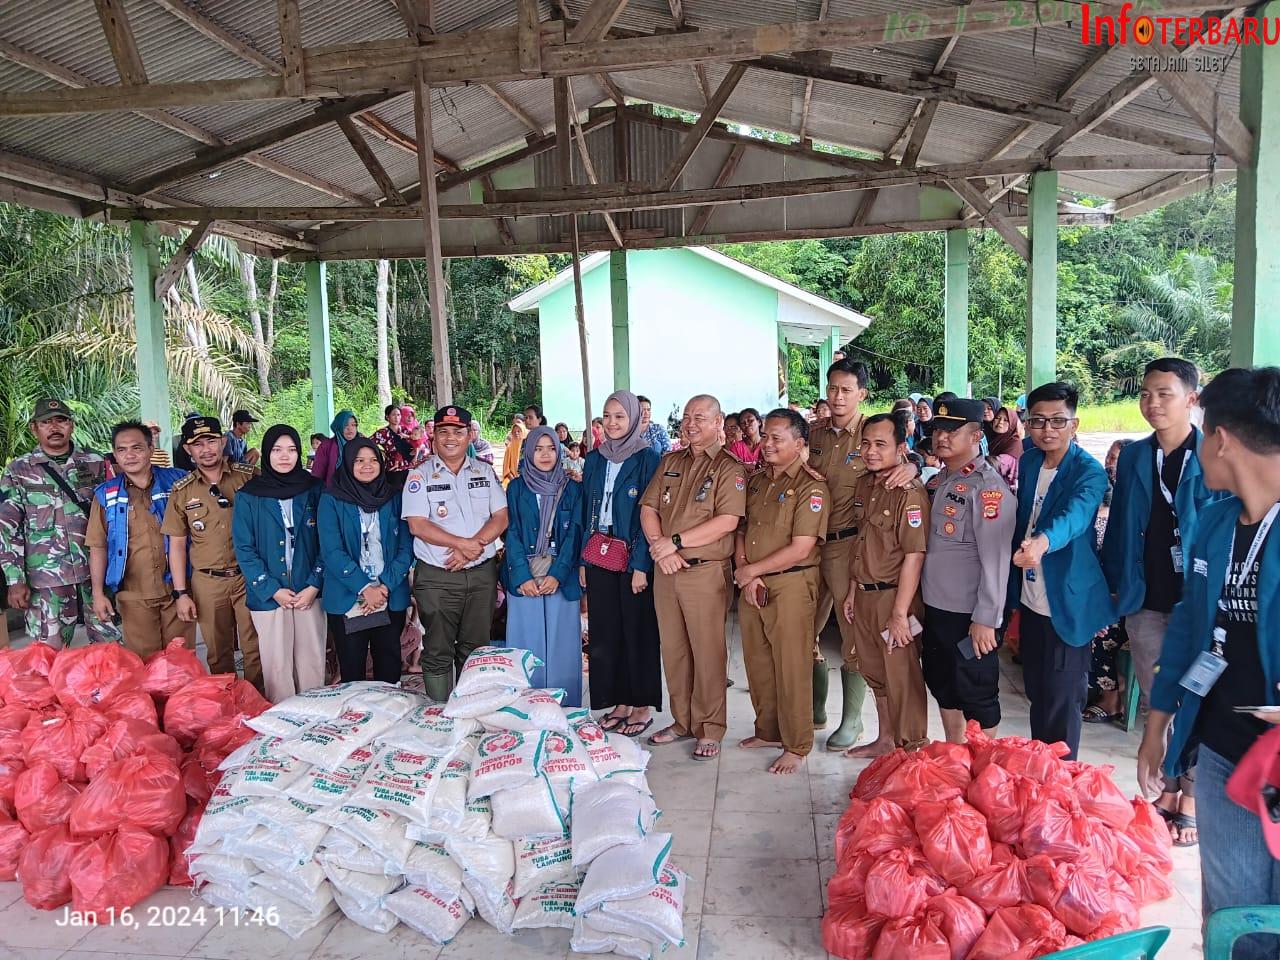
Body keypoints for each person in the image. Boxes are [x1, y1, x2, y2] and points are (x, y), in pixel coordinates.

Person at [1137, 366, 1280, 959]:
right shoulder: (1217, 522)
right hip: (1226, 751)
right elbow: (1192, 632)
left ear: (1219, 436)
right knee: (1233, 917)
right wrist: (1157, 724)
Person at [1104, 357, 1215, 845]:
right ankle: (1165, 789)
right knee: (1156, 699)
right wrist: (1115, 582)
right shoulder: (1133, 456)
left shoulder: (1212, 454)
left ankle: (1189, 797)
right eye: (1146, 393)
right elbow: (1121, 527)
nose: (1152, 403)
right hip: (1144, 596)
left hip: (1198, 600)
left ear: (1192, 399)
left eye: (1164, 394)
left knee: (1195, 696)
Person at [1008, 382, 1117, 760]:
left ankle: (1063, 783)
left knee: (1063, 699)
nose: (1047, 430)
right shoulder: (1029, 461)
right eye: (1037, 421)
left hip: (1067, 602)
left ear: (1075, 424)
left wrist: (1041, 543)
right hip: (1031, 596)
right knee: (1038, 692)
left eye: (1058, 421)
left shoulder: (1088, 472)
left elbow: (1076, 516)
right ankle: (1044, 775)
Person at [640, 394, 746, 761]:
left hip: (704, 572)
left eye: (700, 417)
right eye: (686, 417)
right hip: (667, 570)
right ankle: (682, 721)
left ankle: (710, 727)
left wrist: (675, 543)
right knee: (674, 650)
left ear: (718, 423)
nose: (690, 423)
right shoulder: (670, 460)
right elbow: (650, 507)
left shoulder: (730, 467)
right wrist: (659, 548)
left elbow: (727, 521)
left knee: (707, 652)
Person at [733, 408, 829, 775]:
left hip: (791, 583)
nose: (768, 444)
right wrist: (747, 571)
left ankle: (797, 743)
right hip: (754, 582)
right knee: (758, 662)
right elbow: (742, 530)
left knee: (791, 665)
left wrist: (750, 570)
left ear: (799, 444)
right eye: (767, 436)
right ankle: (768, 730)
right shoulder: (757, 481)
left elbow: (801, 547)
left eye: (777, 438)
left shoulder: (811, 486)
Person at [920, 398, 1015, 742]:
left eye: (952, 430)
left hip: (970, 613)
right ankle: (955, 756)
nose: (941, 437)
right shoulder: (939, 480)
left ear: (976, 436)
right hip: (937, 606)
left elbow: (996, 558)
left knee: (977, 692)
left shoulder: (988, 488)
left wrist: (987, 618)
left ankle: (985, 768)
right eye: (937, 430)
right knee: (943, 683)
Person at [840, 411, 930, 756]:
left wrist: (899, 613)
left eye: (880, 444)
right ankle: (886, 740)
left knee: (902, 679)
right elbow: (862, 542)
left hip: (894, 598)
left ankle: (913, 753)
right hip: (863, 595)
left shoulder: (909, 493)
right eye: (865, 443)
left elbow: (914, 555)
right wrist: (851, 591)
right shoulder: (865, 483)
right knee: (875, 672)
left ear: (901, 448)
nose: (871, 451)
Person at [403, 406, 508, 699]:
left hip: (480, 575)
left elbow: (501, 516)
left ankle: (470, 711)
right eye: (443, 431)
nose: (451, 438)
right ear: (433, 435)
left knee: (475, 648)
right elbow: (418, 525)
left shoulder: (484, 472)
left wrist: (472, 548)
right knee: (437, 648)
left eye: (458, 432)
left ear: (469, 435)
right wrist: (462, 545)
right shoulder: (420, 475)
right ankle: (440, 716)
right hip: (438, 577)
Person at [0, 398, 117, 648]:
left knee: (109, 648)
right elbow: (8, 528)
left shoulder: (96, 463)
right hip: (46, 578)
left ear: (71, 425)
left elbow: (116, 516)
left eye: (61, 420)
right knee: (47, 653)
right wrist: (14, 579)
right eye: (46, 422)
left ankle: (110, 688)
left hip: (95, 574)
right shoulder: (18, 470)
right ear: (35, 428)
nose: (54, 427)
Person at [580, 390, 662, 737]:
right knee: (606, 632)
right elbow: (587, 508)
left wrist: (642, 564)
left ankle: (640, 704)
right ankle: (620, 701)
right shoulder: (595, 458)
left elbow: (652, 513)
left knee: (637, 632)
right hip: (598, 553)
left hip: (632, 556)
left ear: (633, 419)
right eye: (607, 416)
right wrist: (583, 558)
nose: (612, 423)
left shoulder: (648, 458)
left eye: (620, 417)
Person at [163, 416, 263, 693]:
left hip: (248, 577)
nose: (206, 449)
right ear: (188, 450)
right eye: (197, 444)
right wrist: (181, 593)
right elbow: (178, 544)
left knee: (255, 647)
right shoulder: (182, 491)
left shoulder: (248, 477)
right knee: (218, 652)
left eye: (211, 441)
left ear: (222, 441)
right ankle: (229, 708)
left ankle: (259, 703)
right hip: (208, 582)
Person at [233, 425, 326, 702]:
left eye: (291, 450)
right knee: (277, 667)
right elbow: (244, 548)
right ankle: (284, 729)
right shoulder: (249, 495)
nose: (284, 456)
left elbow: (328, 541)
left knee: (311, 663)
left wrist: (314, 584)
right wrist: (272, 589)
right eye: (276, 450)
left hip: (309, 591)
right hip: (269, 595)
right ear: (266, 453)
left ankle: (314, 724)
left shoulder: (313, 489)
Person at [87, 420, 192, 658]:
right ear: (114, 454)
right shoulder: (106, 495)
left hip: (178, 588)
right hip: (133, 594)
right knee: (144, 665)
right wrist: (98, 593)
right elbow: (98, 546)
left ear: (151, 449)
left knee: (182, 662)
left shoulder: (179, 482)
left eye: (137, 448)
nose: (129, 455)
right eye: (121, 450)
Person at [319, 438, 414, 684]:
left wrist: (383, 587)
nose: (367, 466)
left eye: (373, 460)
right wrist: (365, 587)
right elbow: (331, 550)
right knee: (352, 668)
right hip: (348, 595)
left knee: (389, 663)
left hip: (389, 595)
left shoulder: (394, 496)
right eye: (359, 461)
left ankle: (389, 717)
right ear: (348, 463)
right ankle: (358, 719)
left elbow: (406, 546)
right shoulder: (332, 499)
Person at [501, 426, 585, 704]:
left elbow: (575, 533)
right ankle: (526, 706)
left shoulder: (571, 487)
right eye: (538, 449)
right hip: (524, 576)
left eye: (551, 449)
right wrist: (522, 576)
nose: (545, 455)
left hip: (561, 576)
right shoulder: (516, 487)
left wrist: (558, 574)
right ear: (528, 452)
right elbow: (510, 532)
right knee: (527, 643)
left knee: (563, 644)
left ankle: (565, 707)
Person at [370, 403, 415, 489]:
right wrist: (380, 452)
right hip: (392, 469)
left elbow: (416, 442)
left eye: (398, 415)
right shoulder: (383, 432)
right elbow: (369, 443)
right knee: (394, 493)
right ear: (387, 417)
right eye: (393, 415)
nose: (396, 417)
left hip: (408, 468)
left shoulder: (405, 430)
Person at [311, 410, 359, 487]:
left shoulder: (362, 445)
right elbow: (318, 474)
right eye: (345, 425)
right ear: (338, 426)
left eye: (354, 425)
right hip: (333, 492)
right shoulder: (326, 446)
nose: (350, 429)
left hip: (360, 492)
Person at [502, 414, 528, 488]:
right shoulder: (509, 448)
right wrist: (514, 479)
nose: (516, 433)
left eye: (519, 431)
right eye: (514, 431)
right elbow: (507, 469)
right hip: (512, 478)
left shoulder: (528, 446)